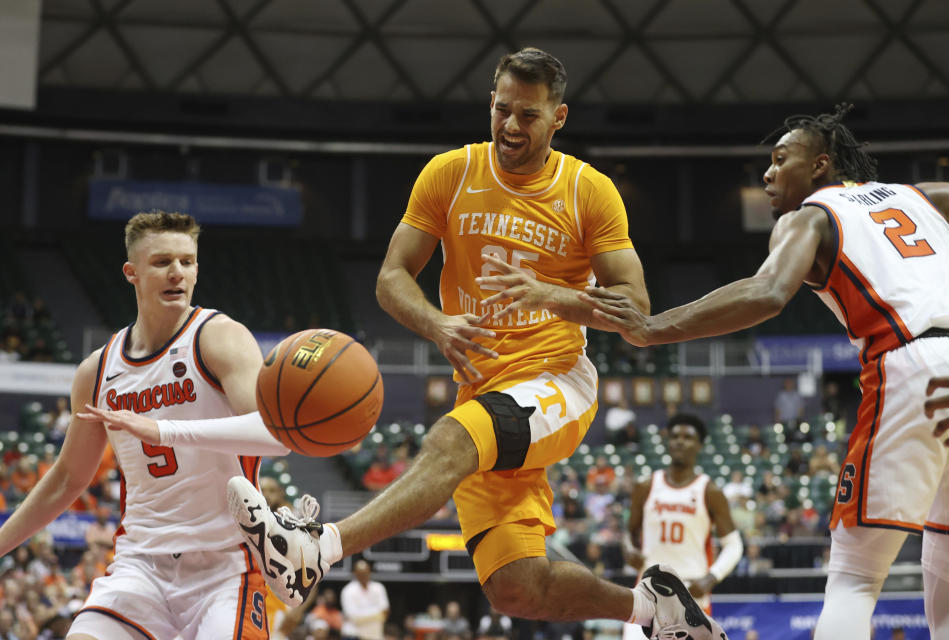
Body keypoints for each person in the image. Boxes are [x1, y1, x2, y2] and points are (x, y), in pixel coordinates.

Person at [227, 47, 726, 640]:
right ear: (490, 102)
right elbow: (391, 278)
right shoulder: (450, 173)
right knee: (518, 587)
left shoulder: (588, 191)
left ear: (558, 118)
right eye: (502, 109)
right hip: (482, 388)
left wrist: (554, 295)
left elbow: (637, 307)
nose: (511, 126)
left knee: (449, 439)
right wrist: (436, 324)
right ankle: (654, 611)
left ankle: (316, 549)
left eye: (529, 116)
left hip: (555, 379)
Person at [582, 104, 949, 639]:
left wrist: (651, 328)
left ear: (821, 166)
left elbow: (766, 292)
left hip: (910, 361)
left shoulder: (811, 217)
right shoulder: (925, 196)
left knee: (854, 579)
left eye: (782, 159)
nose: (767, 173)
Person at [0, 211, 292, 639]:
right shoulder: (97, 371)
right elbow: (66, 479)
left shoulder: (218, 337)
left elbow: (275, 436)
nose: (178, 273)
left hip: (225, 568)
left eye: (187, 262)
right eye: (162, 262)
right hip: (140, 565)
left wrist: (165, 431)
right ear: (131, 272)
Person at [622, 414, 742, 639]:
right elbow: (629, 534)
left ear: (700, 445)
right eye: (675, 435)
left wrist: (711, 578)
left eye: (687, 437)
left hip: (691, 593)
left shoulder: (710, 492)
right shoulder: (646, 486)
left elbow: (734, 545)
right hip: (647, 591)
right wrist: (628, 549)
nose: (679, 441)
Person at [340, 560, 389, 640]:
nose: (363, 576)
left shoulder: (378, 588)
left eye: (365, 573)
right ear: (355, 574)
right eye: (360, 574)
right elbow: (354, 618)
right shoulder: (348, 590)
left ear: (369, 572)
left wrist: (364, 617)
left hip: (374, 635)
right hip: (353, 635)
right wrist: (377, 616)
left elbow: (385, 612)